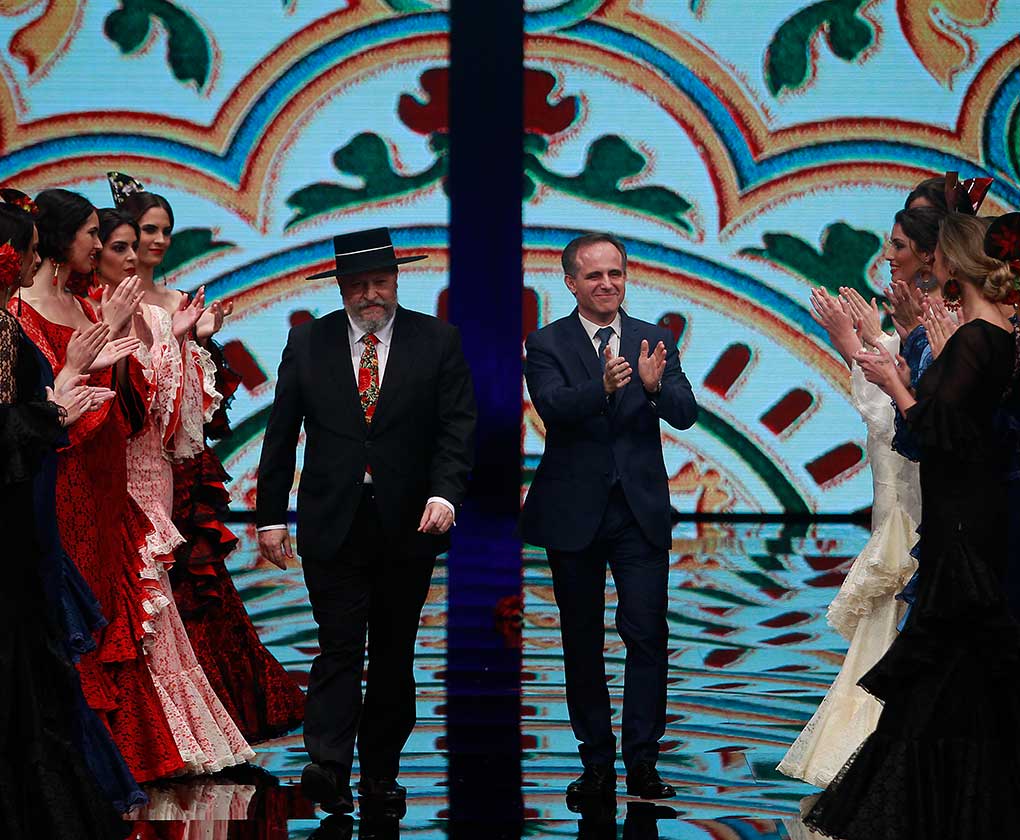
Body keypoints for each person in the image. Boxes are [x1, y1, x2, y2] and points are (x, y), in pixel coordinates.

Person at [803, 212, 1020, 838]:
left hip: (964, 524)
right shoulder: (986, 334)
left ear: (949, 261)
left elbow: (939, 431)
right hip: (963, 516)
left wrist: (897, 384)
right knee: (953, 672)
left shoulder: (980, 335)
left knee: (946, 667)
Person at [256, 227, 476, 815]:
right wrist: (270, 516)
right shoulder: (308, 341)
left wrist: (446, 494)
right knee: (338, 646)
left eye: (379, 281)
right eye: (357, 285)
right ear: (341, 289)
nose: (370, 294)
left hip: (411, 524)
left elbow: (457, 428)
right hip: (332, 520)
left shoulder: (438, 340)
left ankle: (381, 772)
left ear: (397, 281)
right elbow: (281, 432)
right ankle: (328, 766)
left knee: (394, 654)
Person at [110, 172, 305, 742]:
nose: (156, 242)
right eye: (146, 231)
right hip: (125, 456)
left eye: (164, 231)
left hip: (177, 462)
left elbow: (205, 403)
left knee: (194, 585)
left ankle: (210, 704)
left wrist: (198, 342)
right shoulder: (103, 303)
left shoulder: (177, 301)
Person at [15, 188, 188, 782]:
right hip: (64, 479)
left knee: (112, 605)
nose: (99, 243)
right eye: (92, 233)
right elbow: (53, 406)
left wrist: (124, 338)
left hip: (107, 477)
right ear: (61, 239)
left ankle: (124, 749)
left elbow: (126, 403)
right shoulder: (22, 312)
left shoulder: (86, 306)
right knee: (74, 606)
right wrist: (100, 343)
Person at [519, 232, 698, 801]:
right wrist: (600, 387)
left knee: (647, 633)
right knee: (581, 641)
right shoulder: (546, 342)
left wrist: (653, 388)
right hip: (574, 512)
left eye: (615, 273)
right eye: (594, 275)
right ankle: (595, 762)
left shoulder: (654, 337)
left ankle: (643, 761)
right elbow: (552, 406)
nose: (606, 284)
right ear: (571, 282)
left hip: (639, 513)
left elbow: (686, 412)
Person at [95, 207, 256, 773]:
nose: (136, 253)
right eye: (120, 245)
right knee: (129, 603)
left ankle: (170, 736)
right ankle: (138, 735)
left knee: (155, 598)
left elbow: (179, 417)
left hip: (155, 471)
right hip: (110, 474)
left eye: (140, 242)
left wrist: (188, 339)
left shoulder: (160, 316)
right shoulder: (91, 309)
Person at [0, 199, 131, 837]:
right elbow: (9, 425)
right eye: (26, 249)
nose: (33, 259)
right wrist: (59, 401)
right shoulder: (6, 326)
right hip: (22, 504)